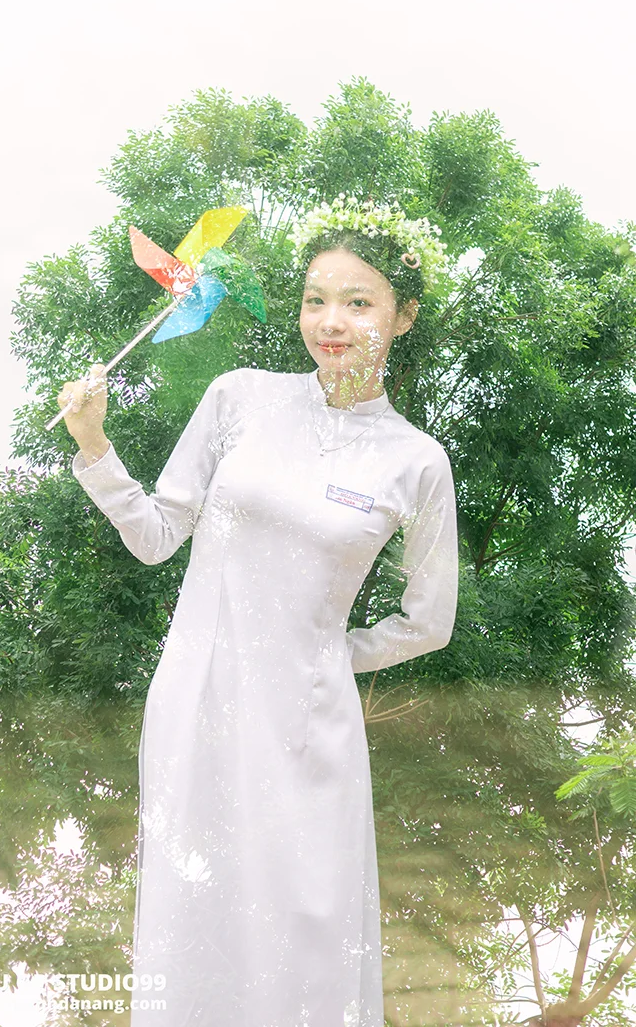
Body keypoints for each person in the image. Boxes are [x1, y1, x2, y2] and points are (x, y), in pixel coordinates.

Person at [58, 195, 459, 1027]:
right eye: (316, 299)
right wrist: (95, 444)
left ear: (404, 316)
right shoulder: (238, 397)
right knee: (193, 915)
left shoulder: (416, 461)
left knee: (303, 932)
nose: (332, 322)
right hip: (198, 704)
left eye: (359, 302)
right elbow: (156, 537)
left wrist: (322, 654)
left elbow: (429, 620)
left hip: (309, 727)